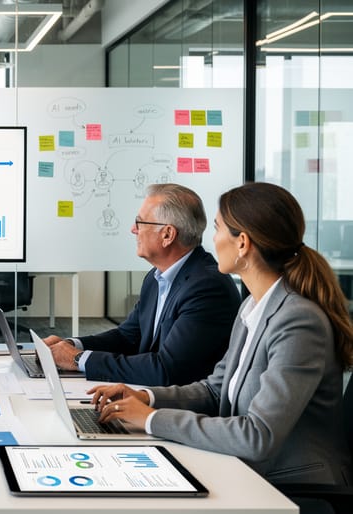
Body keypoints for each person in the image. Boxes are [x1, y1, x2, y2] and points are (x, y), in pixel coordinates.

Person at [90, 182, 353, 486]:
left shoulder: (298, 322)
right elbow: (215, 391)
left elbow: (258, 435)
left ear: (242, 244)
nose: (211, 239)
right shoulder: (252, 307)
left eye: (217, 229)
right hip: (245, 468)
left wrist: (150, 419)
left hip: (294, 486)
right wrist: (145, 397)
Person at [43, 183, 241, 386]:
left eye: (140, 223)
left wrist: (78, 359)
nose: (133, 230)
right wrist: (72, 345)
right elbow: (127, 336)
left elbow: (166, 370)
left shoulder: (207, 287)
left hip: (183, 402)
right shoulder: (155, 278)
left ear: (167, 235)